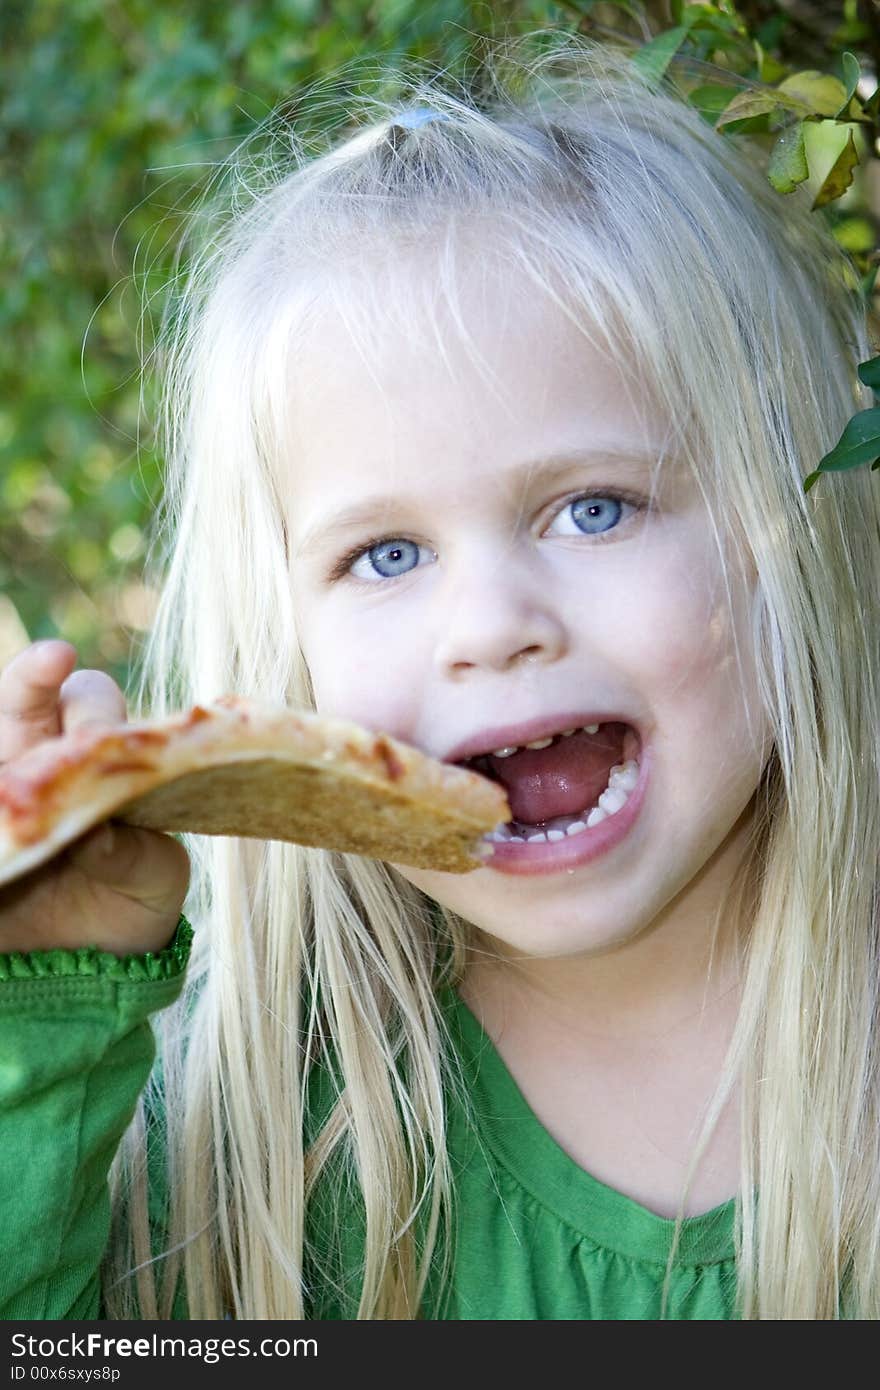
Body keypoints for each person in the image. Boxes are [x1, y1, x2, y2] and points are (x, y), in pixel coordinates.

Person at [1, 31, 878, 1321]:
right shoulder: (258, 1139)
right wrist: (41, 1013)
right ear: (284, 647)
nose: (490, 626)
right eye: (387, 552)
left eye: (593, 509)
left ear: (780, 533)